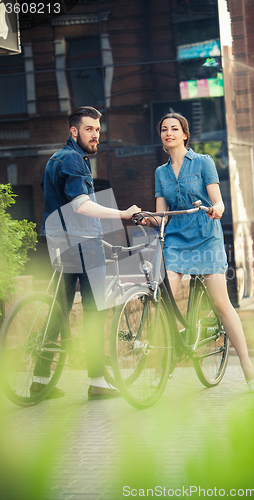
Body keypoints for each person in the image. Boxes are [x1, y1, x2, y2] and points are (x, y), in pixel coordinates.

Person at [147, 112, 254, 391]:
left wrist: (217, 210)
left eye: (174, 128)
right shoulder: (160, 172)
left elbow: (218, 202)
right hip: (175, 237)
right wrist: (145, 216)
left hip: (205, 235)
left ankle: (247, 366)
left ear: (185, 134)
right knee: (166, 294)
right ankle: (175, 342)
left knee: (222, 304)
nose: (169, 133)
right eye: (164, 129)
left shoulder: (203, 162)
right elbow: (163, 214)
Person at [35, 106, 141, 400]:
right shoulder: (73, 161)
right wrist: (122, 214)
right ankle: (97, 382)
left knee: (59, 309)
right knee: (95, 311)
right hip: (82, 243)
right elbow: (81, 204)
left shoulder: (56, 159)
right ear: (74, 131)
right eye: (89, 129)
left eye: (97, 129)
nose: (96, 135)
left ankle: (39, 379)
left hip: (60, 242)